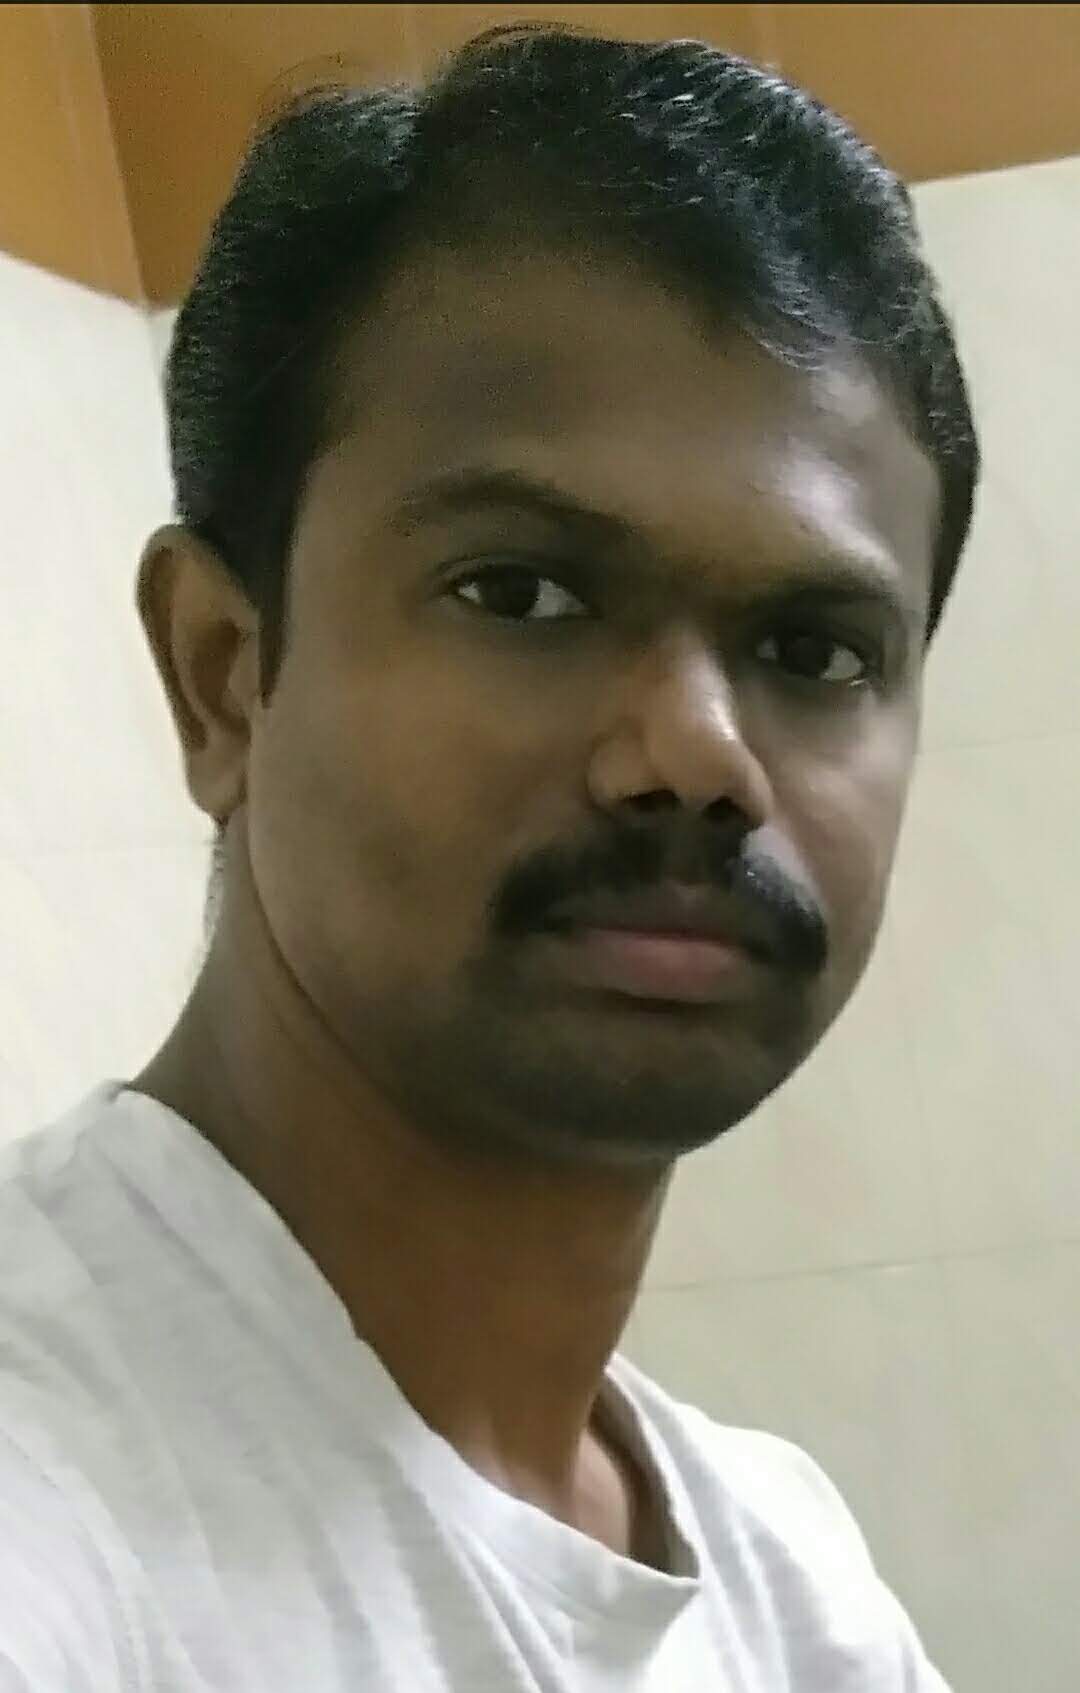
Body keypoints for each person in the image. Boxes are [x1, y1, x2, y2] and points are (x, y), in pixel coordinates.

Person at [0, 24, 977, 1692]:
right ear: (224, 674)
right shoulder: (57, 1516)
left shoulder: (794, 1589)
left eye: (813, 648)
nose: (701, 753)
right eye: (523, 592)